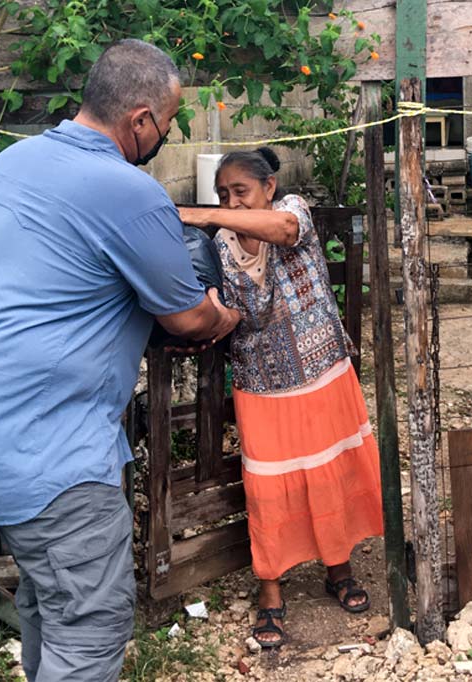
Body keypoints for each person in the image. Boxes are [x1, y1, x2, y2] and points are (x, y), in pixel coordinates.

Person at [0, 40, 239, 682]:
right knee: (91, 628)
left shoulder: (12, 163)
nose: (169, 134)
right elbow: (187, 319)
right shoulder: (127, 191)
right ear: (142, 121)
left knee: (49, 599)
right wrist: (225, 313)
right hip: (47, 451)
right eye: (171, 122)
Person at [178, 148, 384, 648]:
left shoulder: (294, 211)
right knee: (268, 487)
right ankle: (270, 589)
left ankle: (338, 568)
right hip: (263, 382)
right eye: (223, 195)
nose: (231, 202)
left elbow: (285, 232)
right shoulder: (220, 249)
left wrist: (201, 213)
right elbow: (224, 311)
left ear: (269, 188)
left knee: (331, 471)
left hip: (323, 371)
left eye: (240, 192)